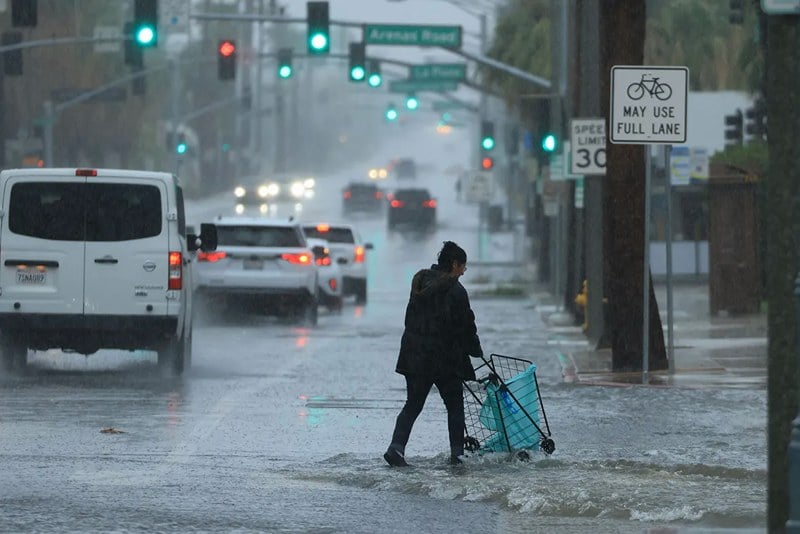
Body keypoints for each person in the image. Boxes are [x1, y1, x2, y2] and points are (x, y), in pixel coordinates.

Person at [384, 241, 483, 467]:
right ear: (455, 264)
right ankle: (457, 454)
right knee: (455, 406)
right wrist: (475, 349)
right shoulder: (456, 291)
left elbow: (412, 320)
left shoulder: (420, 284)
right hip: (444, 359)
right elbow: (465, 325)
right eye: (463, 266)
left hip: (415, 356)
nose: (464, 271)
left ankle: (396, 448)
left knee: (413, 404)